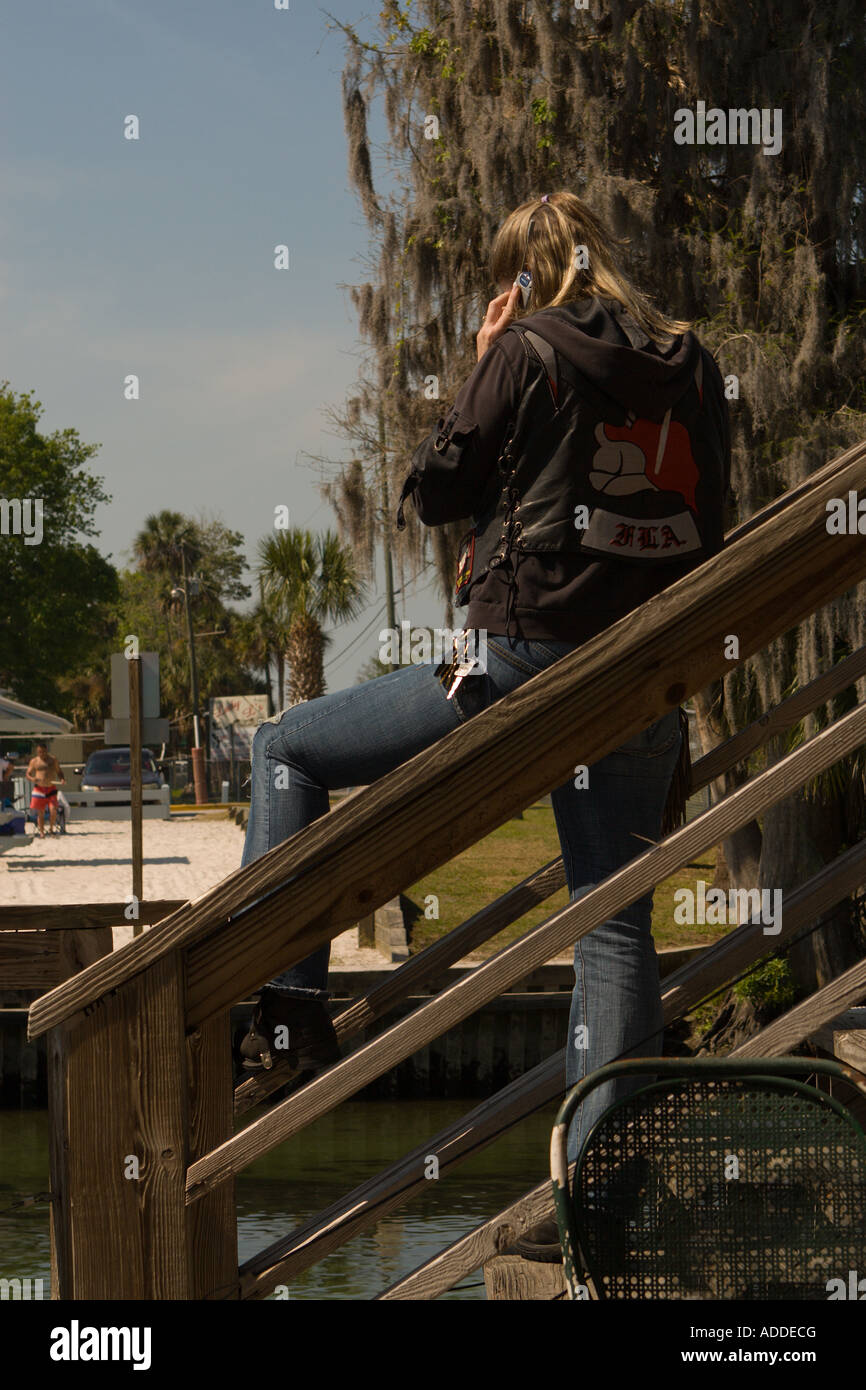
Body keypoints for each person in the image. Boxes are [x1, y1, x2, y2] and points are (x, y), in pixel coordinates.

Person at [239, 193, 730, 1182]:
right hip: (641, 674)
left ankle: (287, 1014)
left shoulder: (526, 347)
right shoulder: (692, 362)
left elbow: (440, 485)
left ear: (520, 275)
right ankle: (599, 1179)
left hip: (520, 659)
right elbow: (710, 520)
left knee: (282, 746)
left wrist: (482, 355)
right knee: (612, 922)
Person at [26, 741, 65, 837]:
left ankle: (51, 829)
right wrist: (32, 779)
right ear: (37, 752)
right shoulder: (34, 761)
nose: (42, 754)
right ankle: (42, 832)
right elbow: (28, 774)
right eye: (40, 752)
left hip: (51, 788)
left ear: (46, 751)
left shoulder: (53, 759)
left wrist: (62, 779)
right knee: (41, 812)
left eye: (43, 752)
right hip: (39, 789)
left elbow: (59, 771)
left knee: (53, 810)